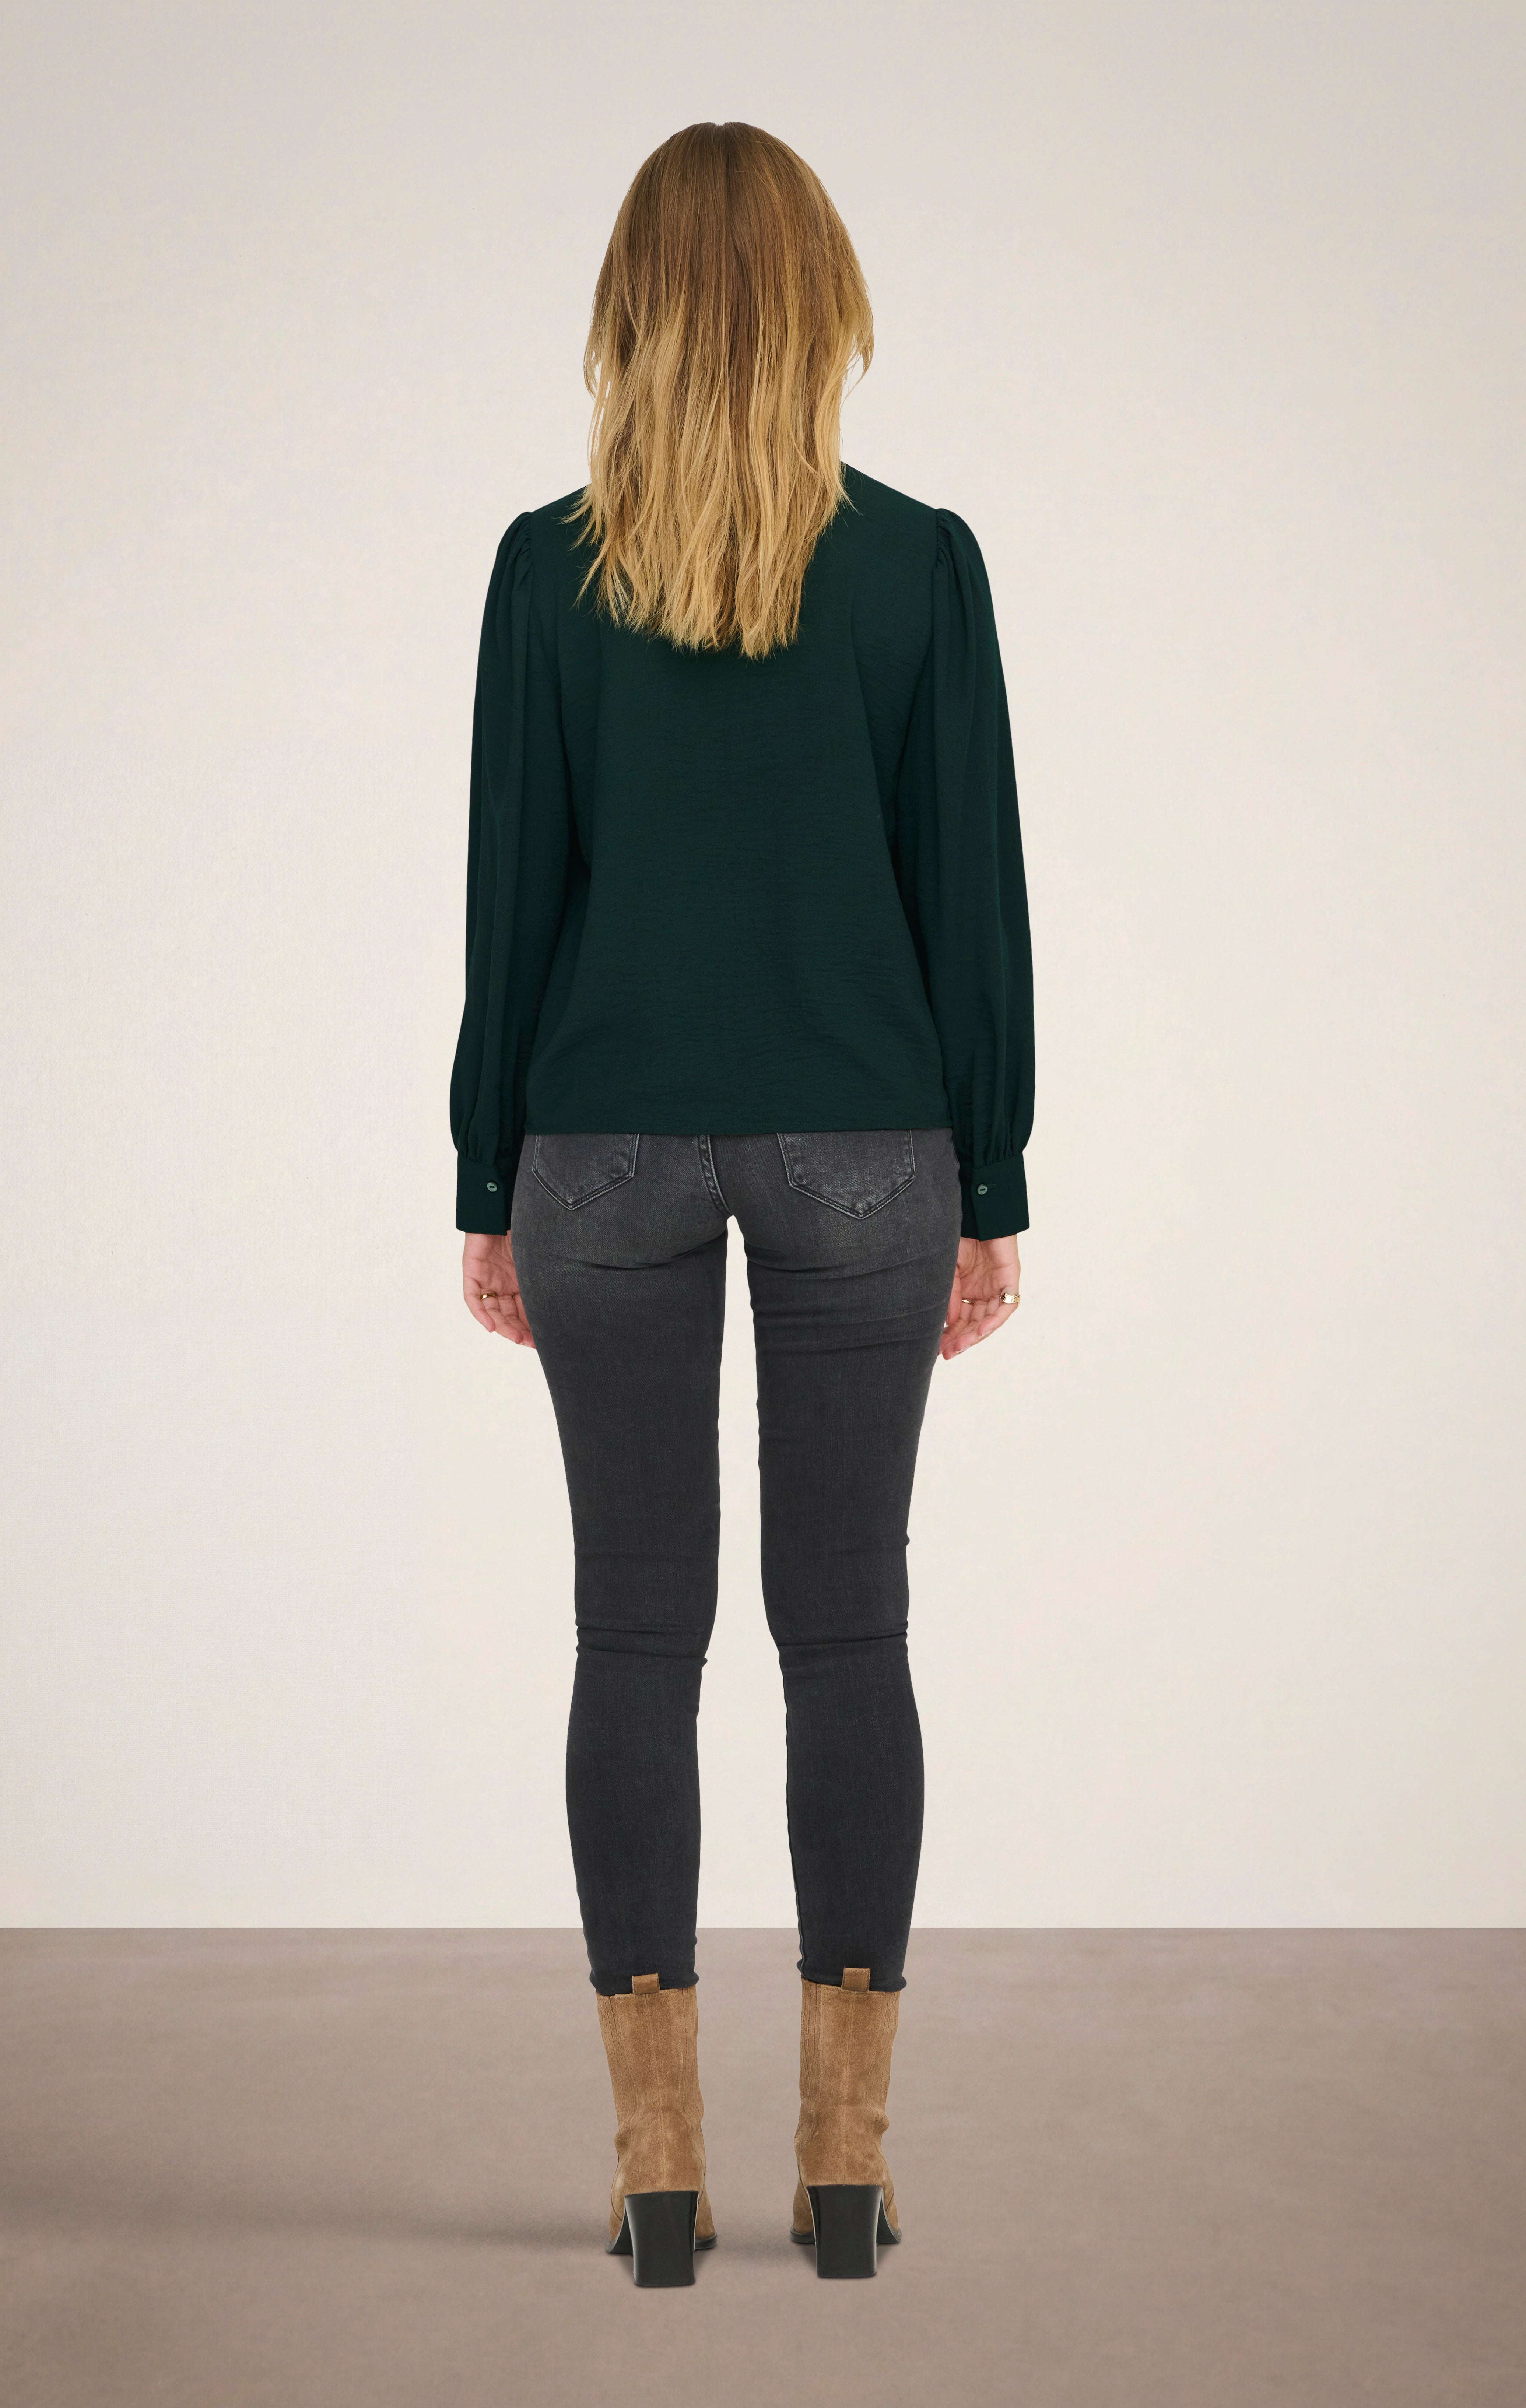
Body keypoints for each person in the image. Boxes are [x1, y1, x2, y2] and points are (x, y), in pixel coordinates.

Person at [450, 120, 1033, 2286]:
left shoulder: (546, 571)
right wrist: (990, 1172)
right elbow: (969, 897)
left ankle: (661, 2177)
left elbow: (514, 896)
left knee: (633, 1634)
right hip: (867, 1147)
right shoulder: (918, 566)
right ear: (821, 308)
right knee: (848, 1630)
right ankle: (846, 2176)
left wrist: (481, 1169)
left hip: (596, 1142)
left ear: (631, 308)